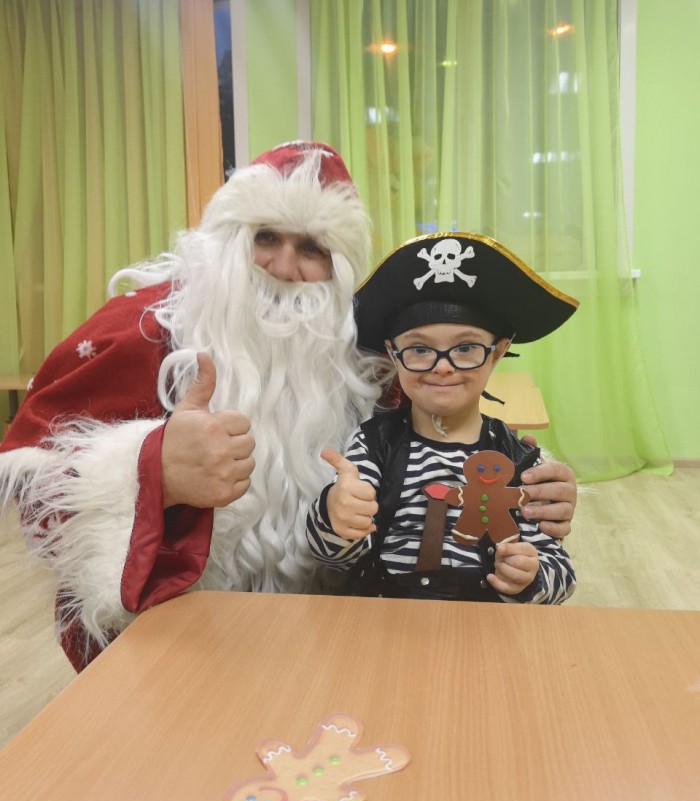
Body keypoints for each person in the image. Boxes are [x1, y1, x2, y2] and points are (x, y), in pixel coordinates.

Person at [0, 143, 577, 672]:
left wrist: (536, 487)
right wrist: (153, 469)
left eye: (312, 249)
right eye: (266, 238)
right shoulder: (144, 329)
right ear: (229, 239)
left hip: (340, 634)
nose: (282, 267)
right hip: (174, 643)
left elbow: (448, 429)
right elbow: (33, 475)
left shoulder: (367, 357)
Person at [306, 231, 578, 603]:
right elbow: (333, 557)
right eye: (419, 349)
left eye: (466, 348)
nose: (443, 367)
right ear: (393, 353)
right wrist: (337, 517)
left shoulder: (517, 458)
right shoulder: (373, 446)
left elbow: (560, 570)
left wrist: (530, 577)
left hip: (484, 623)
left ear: (497, 353)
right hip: (385, 621)